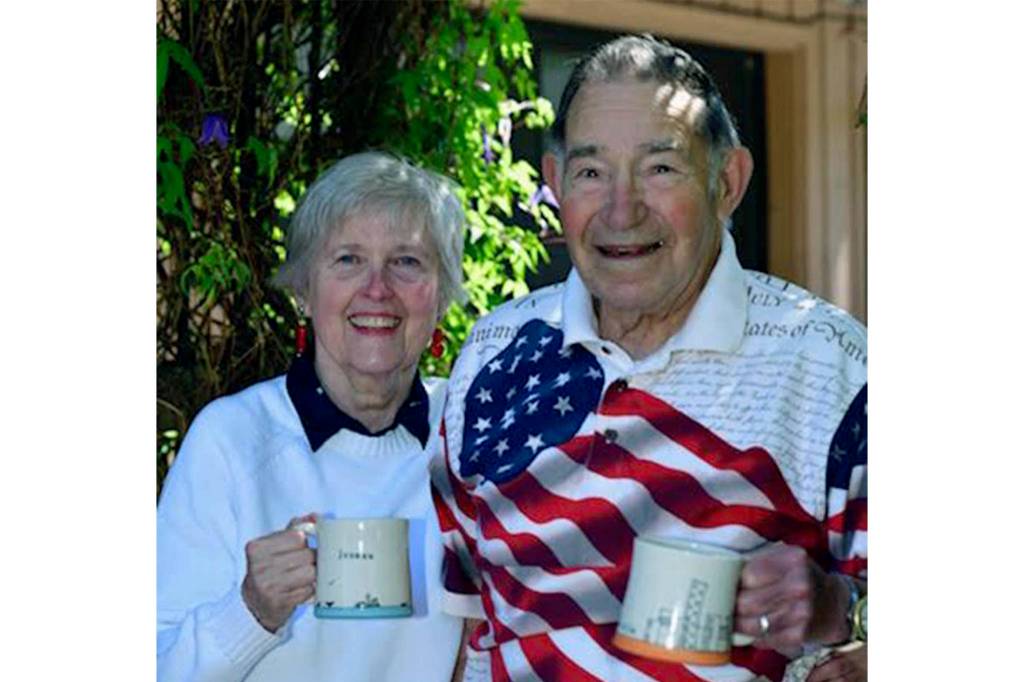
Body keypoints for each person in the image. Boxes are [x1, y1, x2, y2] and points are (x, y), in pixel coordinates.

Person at [431, 35, 866, 682]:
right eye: (590, 172)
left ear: (727, 182)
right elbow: (470, 625)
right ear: (554, 185)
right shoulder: (494, 354)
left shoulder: (834, 368)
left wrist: (841, 616)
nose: (621, 208)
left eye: (660, 168)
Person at [158, 151, 469, 681]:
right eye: (348, 259)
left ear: (441, 296)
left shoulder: (466, 434)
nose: (377, 289)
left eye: (407, 261)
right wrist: (252, 611)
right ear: (303, 289)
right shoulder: (233, 438)